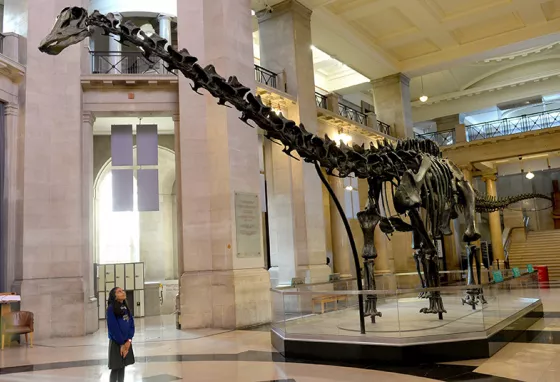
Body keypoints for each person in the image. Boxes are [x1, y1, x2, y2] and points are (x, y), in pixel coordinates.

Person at [106, 287, 135, 382]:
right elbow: (113, 328)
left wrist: (129, 340)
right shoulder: (111, 309)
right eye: (119, 291)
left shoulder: (125, 307)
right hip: (116, 342)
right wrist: (122, 343)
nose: (123, 292)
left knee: (122, 366)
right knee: (116, 367)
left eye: (123, 291)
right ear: (114, 296)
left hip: (126, 342)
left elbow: (131, 324)